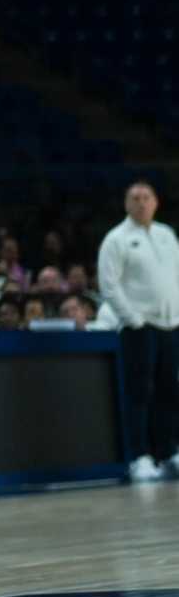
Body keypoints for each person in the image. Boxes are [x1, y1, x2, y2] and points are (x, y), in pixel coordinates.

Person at [97, 181, 179, 482]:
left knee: (170, 391)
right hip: (139, 327)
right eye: (135, 198)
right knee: (139, 393)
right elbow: (108, 284)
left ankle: (169, 452)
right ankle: (139, 457)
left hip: (171, 325)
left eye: (146, 197)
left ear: (156, 202)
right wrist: (133, 319)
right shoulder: (116, 239)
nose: (141, 203)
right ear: (126, 204)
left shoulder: (167, 235)